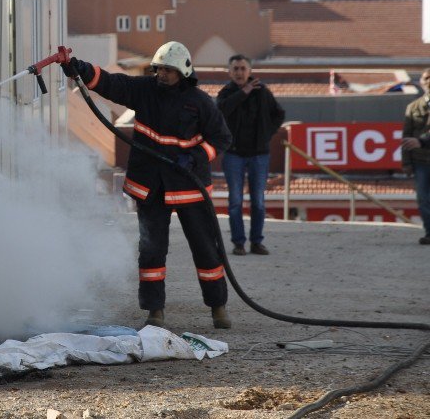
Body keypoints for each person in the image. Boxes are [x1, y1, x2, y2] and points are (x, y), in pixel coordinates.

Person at [62, 41, 234, 329]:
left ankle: (218, 307)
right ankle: (155, 311)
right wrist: (80, 69)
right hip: (151, 186)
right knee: (152, 250)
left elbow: (221, 138)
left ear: (183, 71)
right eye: (160, 69)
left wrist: (194, 157)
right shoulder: (144, 91)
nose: (162, 74)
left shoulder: (200, 102)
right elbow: (113, 84)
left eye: (168, 70)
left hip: (189, 186)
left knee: (206, 249)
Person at [215, 55, 285, 256]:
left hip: (259, 155)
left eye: (242, 68)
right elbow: (220, 112)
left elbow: (278, 114)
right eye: (235, 69)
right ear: (229, 72)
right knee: (235, 201)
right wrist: (243, 93)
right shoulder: (226, 93)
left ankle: (256, 242)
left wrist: (266, 134)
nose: (239, 72)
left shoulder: (262, 92)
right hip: (233, 154)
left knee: (258, 201)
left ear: (249, 71)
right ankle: (239, 243)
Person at [400, 67, 430, 245]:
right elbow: (406, 137)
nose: (428, 81)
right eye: (426, 78)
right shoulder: (413, 108)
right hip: (420, 162)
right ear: (421, 82)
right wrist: (406, 163)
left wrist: (421, 140)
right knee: (423, 199)